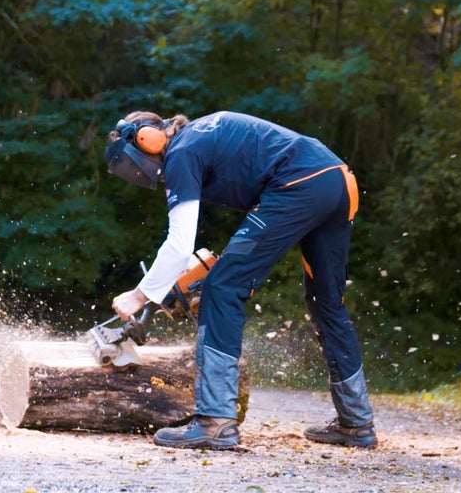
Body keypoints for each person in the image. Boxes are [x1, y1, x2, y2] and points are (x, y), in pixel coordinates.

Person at [105, 110, 377, 450]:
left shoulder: (181, 153)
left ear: (148, 138)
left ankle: (214, 422)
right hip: (336, 181)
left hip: (298, 185)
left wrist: (140, 295)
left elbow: (179, 243)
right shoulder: (200, 137)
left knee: (222, 288)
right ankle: (356, 423)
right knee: (326, 301)